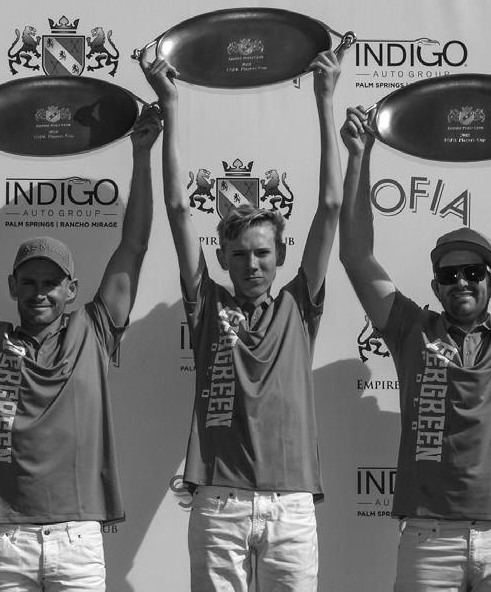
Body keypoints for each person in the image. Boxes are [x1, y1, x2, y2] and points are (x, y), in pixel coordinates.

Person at [338, 98, 491, 591]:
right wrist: (359, 154)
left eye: (474, 273)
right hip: (429, 537)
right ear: (435, 286)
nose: (462, 282)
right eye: (449, 274)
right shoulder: (411, 330)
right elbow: (356, 256)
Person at [0, 102, 161, 591]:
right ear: (12, 287)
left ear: (71, 290)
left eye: (52, 283)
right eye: (30, 282)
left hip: (77, 540)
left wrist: (142, 155)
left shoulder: (94, 329)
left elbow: (134, 246)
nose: (40, 293)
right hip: (6, 540)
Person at [143, 45, 346, 592]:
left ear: (280, 257)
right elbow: (179, 210)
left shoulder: (299, 304)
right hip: (219, 501)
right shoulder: (206, 306)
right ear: (223, 259)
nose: (252, 264)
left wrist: (325, 98)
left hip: (291, 503)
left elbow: (330, 207)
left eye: (262, 253)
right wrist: (171, 106)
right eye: (239, 254)